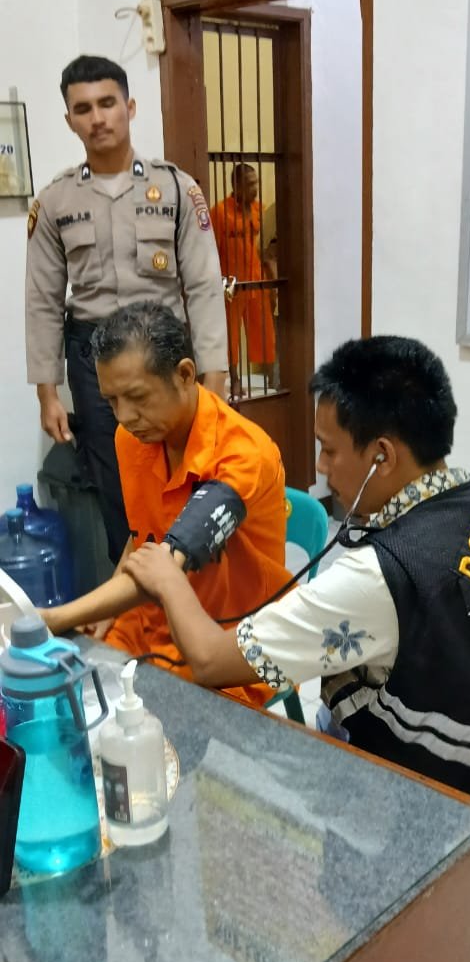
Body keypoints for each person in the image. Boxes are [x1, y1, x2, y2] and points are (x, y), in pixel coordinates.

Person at [122, 335, 470, 882]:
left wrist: (167, 577)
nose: (321, 468)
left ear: (381, 455)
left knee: (246, 793)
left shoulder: (379, 576)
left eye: (329, 450)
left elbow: (209, 661)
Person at [26, 54, 228, 565]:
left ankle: (188, 575)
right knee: (115, 478)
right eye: (83, 108)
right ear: (69, 120)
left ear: (130, 107)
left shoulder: (177, 188)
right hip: (94, 360)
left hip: (165, 351)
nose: (98, 118)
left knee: (185, 468)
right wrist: (47, 392)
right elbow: (43, 299)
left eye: (107, 103)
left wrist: (215, 376)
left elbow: (204, 286)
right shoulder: (55, 201)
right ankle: (136, 580)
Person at [42, 302, 291, 711]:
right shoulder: (132, 439)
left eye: (137, 397)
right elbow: (143, 539)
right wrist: (106, 607)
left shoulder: (243, 456)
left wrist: (54, 617)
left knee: (150, 729)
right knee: (70, 697)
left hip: (226, 639)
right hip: (150, 619)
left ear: (186, 375)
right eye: (112, 401)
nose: (124, 416)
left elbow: (166, 564)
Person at [210, 163, 276, 397]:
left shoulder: (261, 211)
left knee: (265, 333)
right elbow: (211, 252)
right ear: (236, 185)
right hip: (231, 285)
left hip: (257, 281)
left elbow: (267, 249)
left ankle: (273, 380)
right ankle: (235, 380)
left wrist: (272, 283)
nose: (254, 188)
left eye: (256, 183)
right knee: (231, 337)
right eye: (249, 184)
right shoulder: (220, 213)